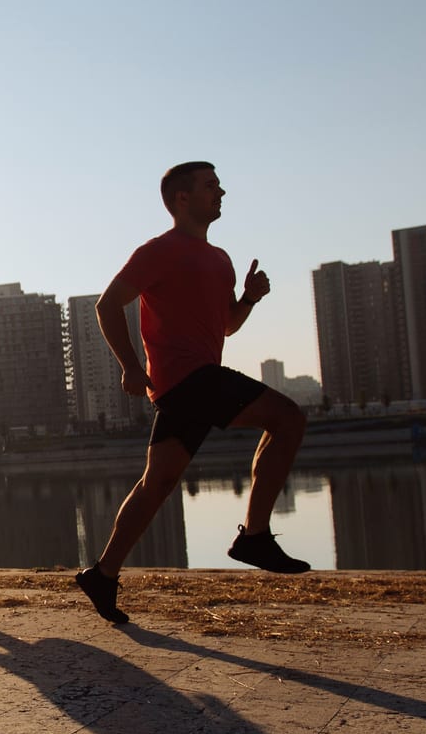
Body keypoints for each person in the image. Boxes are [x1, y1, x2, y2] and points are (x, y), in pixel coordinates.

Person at [76, 161, 309, 627]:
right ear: (182, 199)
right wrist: (129, 366)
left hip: (194, 385)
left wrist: (248, 299)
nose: (221, 192)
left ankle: (102, 574)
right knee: (288, 418)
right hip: (189, 379)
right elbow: (106, 305)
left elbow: (227, 325)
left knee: (157, 483)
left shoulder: (220, 259)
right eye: (211, 186)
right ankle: (255, 536)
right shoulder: (158, 251)